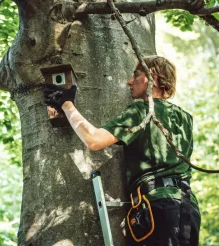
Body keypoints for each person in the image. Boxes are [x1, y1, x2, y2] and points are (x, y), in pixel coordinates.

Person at [43, 56, 201, 246]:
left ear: (153, 78)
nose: (129, 81)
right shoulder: (185, 118)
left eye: (136, 75)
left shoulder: (142, 110)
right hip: (188, 209)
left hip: (158, 208)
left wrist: (66, 103)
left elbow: (94, 140)